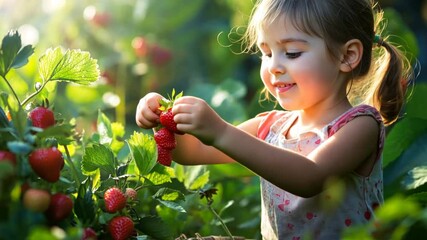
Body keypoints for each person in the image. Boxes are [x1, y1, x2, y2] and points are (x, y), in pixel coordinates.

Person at [135, 0, 414, 239]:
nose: (274, 67)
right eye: (266, 53)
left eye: (291, 53)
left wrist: (220, 131)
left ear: (347, 56)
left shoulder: (360, 125)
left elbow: (309, 178)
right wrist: (160, 118)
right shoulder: (271, 126)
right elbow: (192, 152)